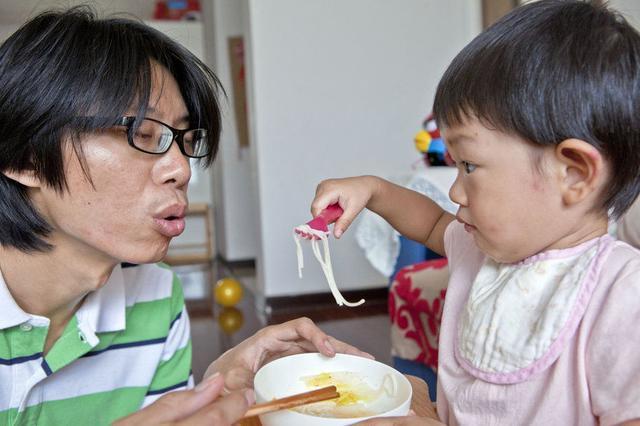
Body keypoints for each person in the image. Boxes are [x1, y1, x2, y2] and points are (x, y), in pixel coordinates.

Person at [0, 8, 371, 425]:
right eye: (141, 133)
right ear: (23, 155)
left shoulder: (157, 297)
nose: (181, 169)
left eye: (183, 139)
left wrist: (208, 392)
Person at [312, 1, 640, 424]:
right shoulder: (482, 249)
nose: (454, 190)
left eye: (468, 165)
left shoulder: (622, 294)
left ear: (573, 173)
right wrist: (373, 190)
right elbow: (429, 221)